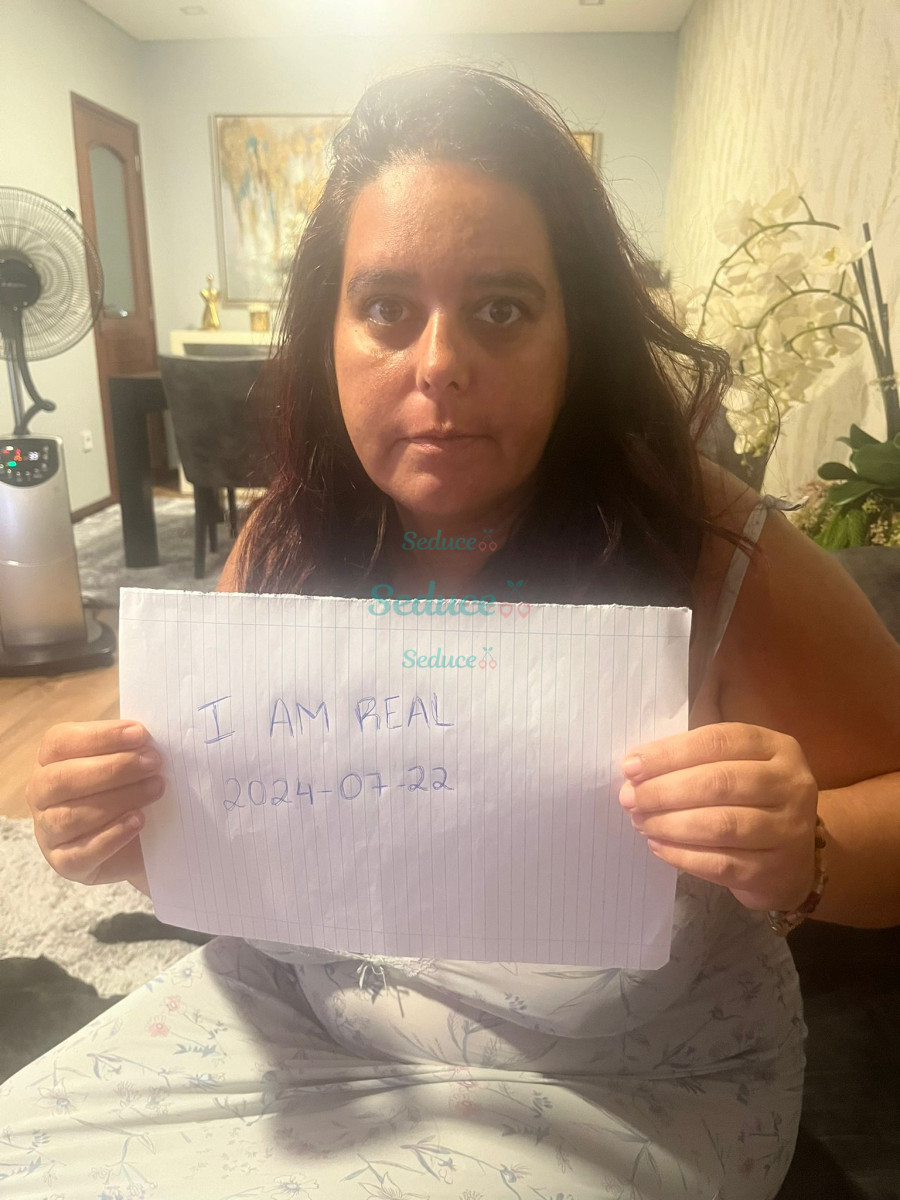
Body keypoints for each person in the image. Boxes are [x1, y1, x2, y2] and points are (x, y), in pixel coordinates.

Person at [6, 63, 900, 1200]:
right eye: (387, 309)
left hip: (619, 1075)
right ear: (328, 334)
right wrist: (123, 829)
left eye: (502, 309)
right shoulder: (285, 538)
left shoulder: (709, 543)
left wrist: (807, 849)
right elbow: (231, 830)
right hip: (306, 1021)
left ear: (575, 332)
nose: (439, 365)